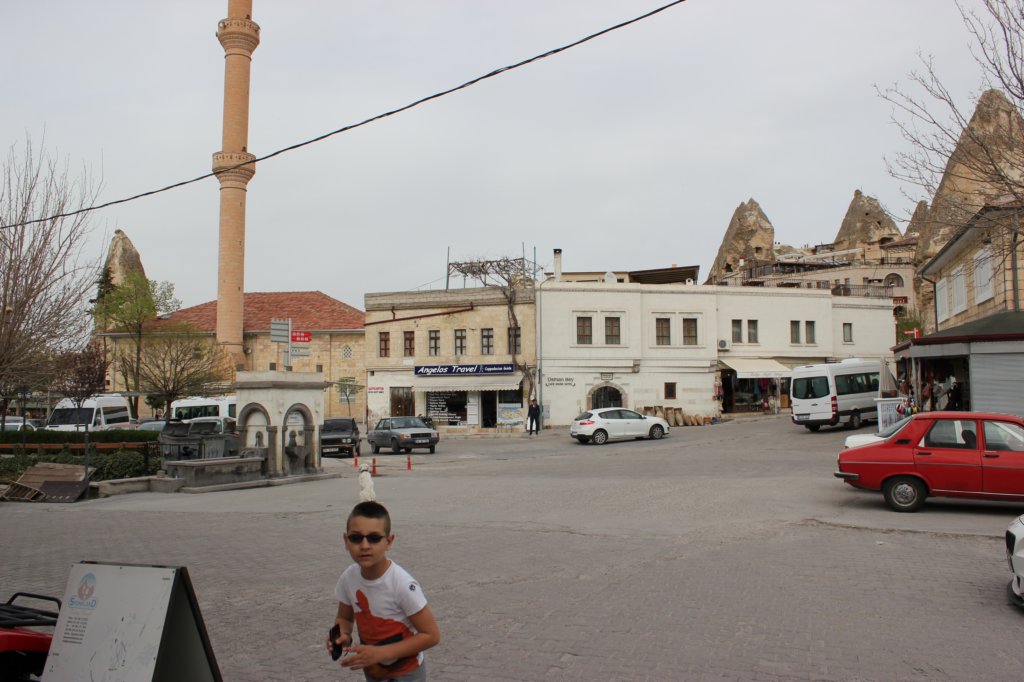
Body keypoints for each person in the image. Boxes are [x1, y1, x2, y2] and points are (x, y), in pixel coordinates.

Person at [328, 501, 440, 681]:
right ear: (345, 541)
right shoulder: (348, 578)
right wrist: (343, 636)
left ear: (389, 541)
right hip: (373, 671)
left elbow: (431, 635)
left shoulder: (402, 584)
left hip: (407, 673)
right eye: (356, 538)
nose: (364, 545)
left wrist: (381, 653)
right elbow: (344, 618)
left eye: (374, 538)